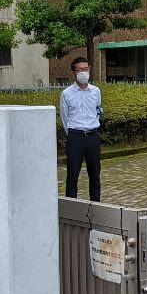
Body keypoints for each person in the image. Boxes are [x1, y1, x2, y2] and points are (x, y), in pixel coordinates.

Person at [60, 55, 103, 202]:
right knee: (72, 176)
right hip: (75, 137)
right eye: (80, 70)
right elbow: (65, 118)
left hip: (93, 136)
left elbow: (98, 111)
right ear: (74, 73)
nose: (84, 72)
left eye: (86, 69)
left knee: (95, 176)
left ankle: (96, 208)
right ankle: (72, 211)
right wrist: (73, 134)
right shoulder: (67, 94)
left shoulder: (96, 91)